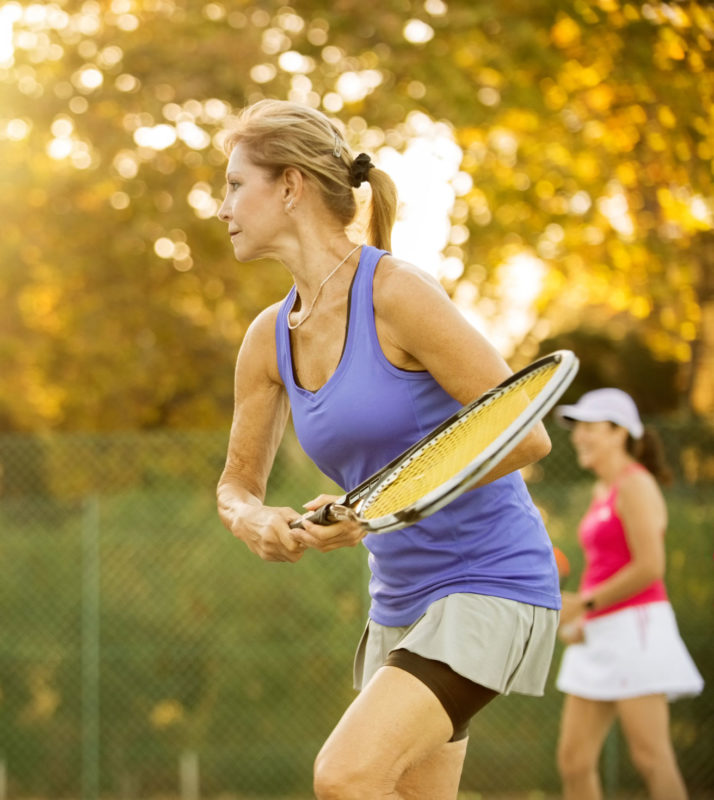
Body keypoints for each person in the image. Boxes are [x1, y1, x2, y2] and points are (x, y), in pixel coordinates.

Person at [215, 99, 562, 800]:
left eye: (231, 183)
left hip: (489, 583)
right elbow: (235, 486)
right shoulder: (267, 339)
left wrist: (372, 509)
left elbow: (526, 434)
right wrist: (256, 520)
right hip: (399, 605)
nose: (220, 204)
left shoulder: (397, 294)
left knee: (346, 775)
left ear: (289, 186)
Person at [553, 388, 704, 800]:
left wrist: (584, 604)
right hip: (598, 631)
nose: (578, 436)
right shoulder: (602, 492)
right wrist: (584, 618)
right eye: (576, 428)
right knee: (574, 761)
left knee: (651, 759)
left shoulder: (636, 485)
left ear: (619, 432)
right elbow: (606, 566)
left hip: (637, 629)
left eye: (589, 427)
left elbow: (650, 566)